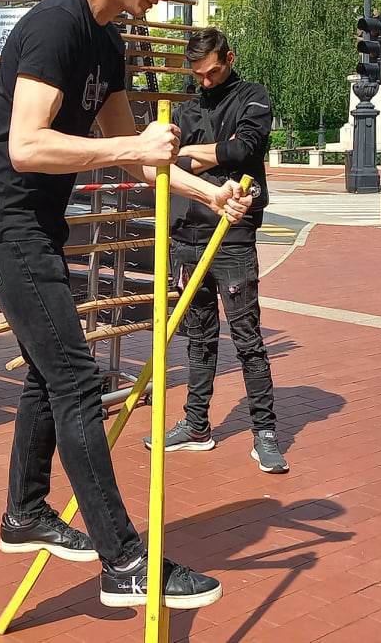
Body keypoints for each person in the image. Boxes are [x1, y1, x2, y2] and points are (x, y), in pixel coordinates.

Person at [0, 0, 250, 610]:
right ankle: (124, 562)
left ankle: (25, 512)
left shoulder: (109, 44)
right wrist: (130, 147)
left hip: (32, 224)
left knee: (49, 372)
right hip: (0, 220)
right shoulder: (56, 27)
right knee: (78, 380)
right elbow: (27, 144)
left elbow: (139, 160)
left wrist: (208, 194)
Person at [142, 27, 286, 475]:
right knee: (199, 338)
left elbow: (245, 149)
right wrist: (208, 154)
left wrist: (194, 152)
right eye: (198, 75)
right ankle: (196, 424)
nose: (205, 81)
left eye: (212, 72)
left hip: (233, 236)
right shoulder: (186, 109)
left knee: (247, 337)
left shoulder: (252, 97)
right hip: (186, 234)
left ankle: (265, 432)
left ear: (229, 58)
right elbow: (168, 162)